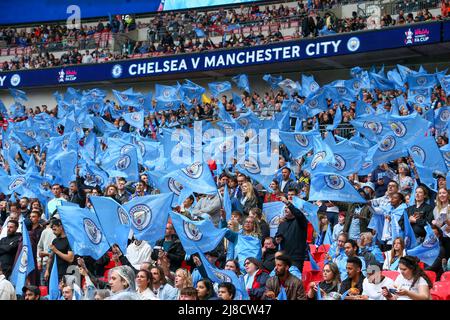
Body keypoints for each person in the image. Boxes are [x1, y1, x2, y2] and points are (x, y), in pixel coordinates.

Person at [275, 196, 308, 271]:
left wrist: (287, 202)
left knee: (294, 282)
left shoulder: (300, 221)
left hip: (296, 259)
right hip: (283, 258)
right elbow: (276, 237)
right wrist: (277, 239)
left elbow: (299, 215)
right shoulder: (282, 223)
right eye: (285, 208)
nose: (286, 209)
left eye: (288, 207)